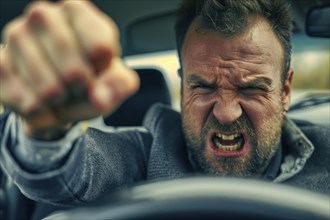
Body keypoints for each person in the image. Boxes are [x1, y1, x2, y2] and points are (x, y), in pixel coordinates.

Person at [0, 0, 329, 208]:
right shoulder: (143, 154)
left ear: (285, 92)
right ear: (183, 85)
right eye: (202, 86)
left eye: (252, 89)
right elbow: (66, 173)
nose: (226, 113)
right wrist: (44, 127)